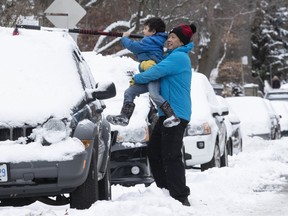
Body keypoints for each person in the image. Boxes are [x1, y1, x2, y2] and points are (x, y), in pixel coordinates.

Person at [133, 23, 197, 206]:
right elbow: (149, 68)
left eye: (174, 38)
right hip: (166, 114)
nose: (169, 40)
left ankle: (180, 196)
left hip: (176, 114)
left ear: (182, 41)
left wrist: (135, 79)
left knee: (171, 154)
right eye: (168, 37)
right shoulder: (170, 56)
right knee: (154, 151)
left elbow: (154, 72)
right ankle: (164, 191)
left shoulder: (179, 58)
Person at [106, 17, 181, 128]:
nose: (143, 31)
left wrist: (124, 38)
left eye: (146, 28)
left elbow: (134, 47)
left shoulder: (151, 41)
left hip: (154, 74)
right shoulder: (154, 40)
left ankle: (172, 115)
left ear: (153, 32)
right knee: (129, 92)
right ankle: (125, 116)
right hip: (147, 75)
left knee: (154, 94)